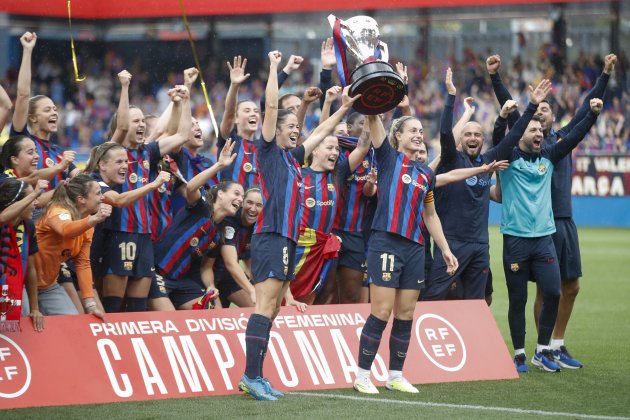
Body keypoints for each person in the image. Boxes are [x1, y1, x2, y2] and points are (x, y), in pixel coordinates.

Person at [239, 51, 359, 401]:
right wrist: (276, 68)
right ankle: (250, 376)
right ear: (273, 130)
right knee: (265, 307)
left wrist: (344, 108)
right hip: (271, 237)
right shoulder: (268, 152)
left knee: (274, 309)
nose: (295, 131)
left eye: (296, 129)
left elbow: (321, 130)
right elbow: (272, 106)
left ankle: (257, 376)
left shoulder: (293, 159)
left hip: (287, 240)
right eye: (289, 127)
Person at [488, 53, 616, 369]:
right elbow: (511, 118)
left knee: (564, 288)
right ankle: (528, 350)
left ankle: (551, 346)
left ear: (552, 122)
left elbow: (587, 113)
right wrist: (496, 79)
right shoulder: (519, 148)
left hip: (559, 223)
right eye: (536, 110)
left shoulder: (557, 146)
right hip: (525, 230)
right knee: (531, 294)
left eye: (546, 108)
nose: (540, 112)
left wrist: (604, 77)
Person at [353, 112, 458, 395]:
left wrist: (445, 249)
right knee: (382, 311)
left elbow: (431, 214)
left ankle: (395, 376)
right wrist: (375, 101)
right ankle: (362, 375)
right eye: (412, 130)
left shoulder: (426, 174)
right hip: (385, 243)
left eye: (421, 130)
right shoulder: (388, 158)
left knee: (406, 313)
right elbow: (374, 120)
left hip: (415, 247)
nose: (418, 134)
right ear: (397, 135)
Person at [423, 71, 550, 301]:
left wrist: (531, 107)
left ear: (483, 140)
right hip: (451, 242)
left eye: (477, 135)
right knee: (434, 297)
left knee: (476, 303)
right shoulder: (452, 159)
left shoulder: (489, 160)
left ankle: (470, 338)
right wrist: (451, 96)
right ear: (461, 140)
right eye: (468, 134)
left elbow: (514, 137)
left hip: (480, 246)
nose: (473, 138)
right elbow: (444, 133)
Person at [498, 97, 602, 373]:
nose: (538, 134)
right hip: (515, 239)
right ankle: (519, 353)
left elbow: (575, 136)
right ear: (520, 132)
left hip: (545, 238)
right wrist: (510, 114)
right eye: (531, 130)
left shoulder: (549, 157)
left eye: (540, 132)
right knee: (518, 298)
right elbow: (500, 138)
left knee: (554, 291)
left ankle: (542, 350)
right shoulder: (508, 159)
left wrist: (592, 115)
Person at [291, 88, 372, 304]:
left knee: (336, 294)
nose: (335, 153)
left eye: (337, 149)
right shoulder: (298, 172)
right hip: (300, 244)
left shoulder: (339, 173)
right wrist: (327, 103)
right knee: (302, 293)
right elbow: (319, 132)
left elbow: (363, 147)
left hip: (329, 242)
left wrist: (372, 111)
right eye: (330, 148)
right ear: (315, 150)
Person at [151, 142, 243, 310]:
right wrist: (219, 165)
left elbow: (206, 267)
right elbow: (191, 186)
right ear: (220, 194)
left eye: (242, 197)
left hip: (182, 281)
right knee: (169, 320)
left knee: (214, 311)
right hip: (157, 272)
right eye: (236, 193)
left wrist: (210, 286)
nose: (240, 199)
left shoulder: (218, 234)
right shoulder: (201, 207)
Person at [85, 142, 172, 313]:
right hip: (101, 248)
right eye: (119, 162)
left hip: (142, 239)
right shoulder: (93, 181)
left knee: (137, 307)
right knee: (112, 307)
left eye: (126, 162)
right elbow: (119, 201)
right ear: (102, 165)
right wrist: (154, 184)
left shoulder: (116, 183)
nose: (125, 166)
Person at [34, 174, 111, 319]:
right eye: (98, 193)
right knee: (19, 324)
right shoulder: (57, 211)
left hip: (47, 286)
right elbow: (66, 229)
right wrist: (93, 219)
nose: (102, 198)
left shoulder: (88, 226)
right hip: (22, 284)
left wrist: (90, 304)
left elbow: (83, 264)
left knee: (71, 320)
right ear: (81, 199)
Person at [11, 32, 79, 192]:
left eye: (55, 109)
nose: (54, 113)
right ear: (33, 117)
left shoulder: (59, 152)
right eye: (47, 110)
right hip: (30, 215)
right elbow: (22, 95)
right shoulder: (22, 139)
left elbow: (82, 179)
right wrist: (27, 51)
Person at [0, 178, 47, 331]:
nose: (35, 203)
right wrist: (35, 194)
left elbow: (31, 269)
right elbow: (2, 218)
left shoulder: (28, 226)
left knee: (24, 316)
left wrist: (35, 308)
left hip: (12, 287)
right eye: (30, 198)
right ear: (16, 204)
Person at [213, 187, 263, 309]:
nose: (253, 209)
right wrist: (251, 290)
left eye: (259, 205)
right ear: (242, 203)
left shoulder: (259, 227)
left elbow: (250, 262)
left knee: (260, 309)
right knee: (217, 319)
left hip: (229, 278)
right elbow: (230, 263)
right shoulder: (229, 220)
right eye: (249, 203)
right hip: (209, 276)